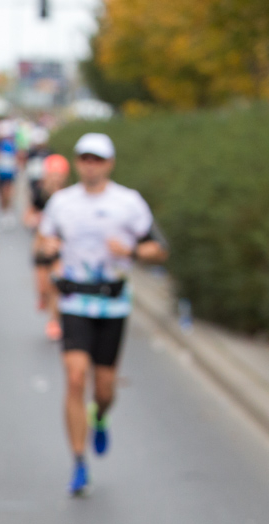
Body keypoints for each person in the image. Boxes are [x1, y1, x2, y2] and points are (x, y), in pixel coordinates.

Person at [37, 132, 167, 496]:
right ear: (77, 162)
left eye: (97, 159)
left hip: (112, 303)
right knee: (75, 378)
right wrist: (48, 247)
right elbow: (44, 242)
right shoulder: (62, 203)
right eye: (85, 159)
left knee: (104, 387)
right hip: (75, 301)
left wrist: (133, 252)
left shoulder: (129, 203)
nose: (90, 165)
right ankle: (79, 461)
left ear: (109, 163)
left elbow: (159, 248)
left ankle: (101, 414)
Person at [25, 152, 70, 342]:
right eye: (52, 174)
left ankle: (54, 321)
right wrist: (34, 220)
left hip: (60, 247)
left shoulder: (69, 197)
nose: (55, 178)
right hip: (41, 247)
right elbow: (27, 216)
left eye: (58, 175)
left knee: (55, 286)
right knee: (43, 288)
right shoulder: (39, 194)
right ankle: (43, 299)